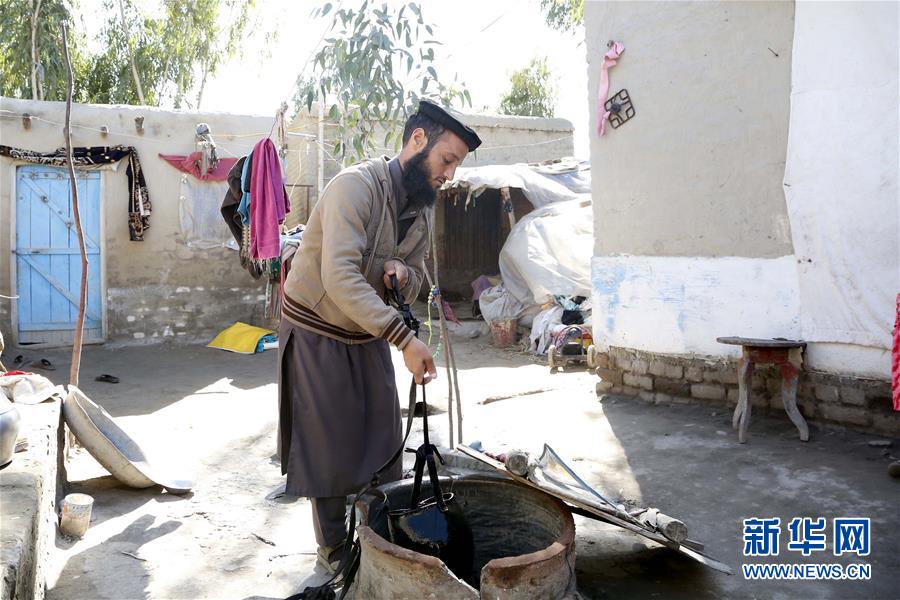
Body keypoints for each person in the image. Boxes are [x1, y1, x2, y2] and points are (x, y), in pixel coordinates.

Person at [277, 100, 482, 572]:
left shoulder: (422, 213)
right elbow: (340, 277)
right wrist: (406, 340)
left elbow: (418, 276)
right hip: (316, 325)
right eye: (446, 160)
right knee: (328, 446)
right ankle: (333, 551)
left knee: (383, 438)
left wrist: (402, 276)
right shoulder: (355, 187)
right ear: (416, 142)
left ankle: (375, 538)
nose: (448, 175)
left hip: (366, 327)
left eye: (454, 166)